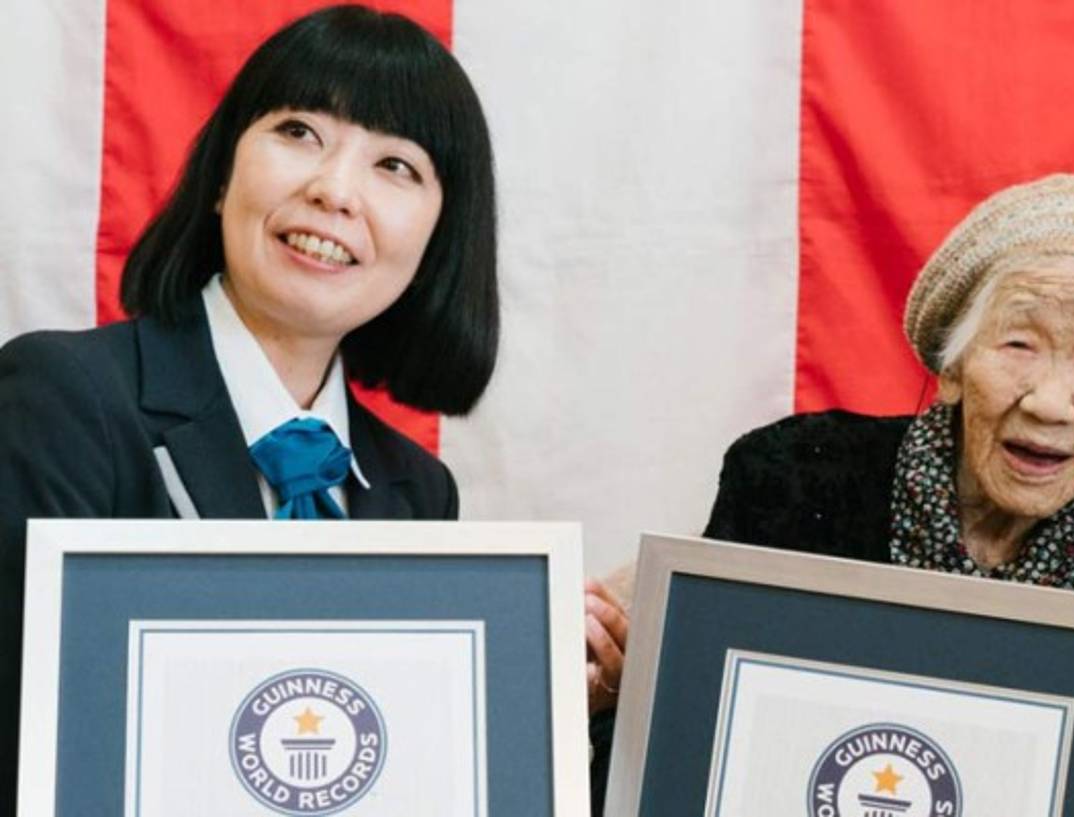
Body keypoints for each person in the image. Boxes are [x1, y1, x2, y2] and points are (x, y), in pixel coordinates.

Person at [0, 3, 626, 804]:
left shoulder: (416, 491)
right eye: (298, 131)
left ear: (438, 240)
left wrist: (526, 692)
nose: (334, 190)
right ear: (222, 176)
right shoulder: (63, 399)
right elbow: (40, 744)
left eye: (395, 165)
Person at [704, 173, 1074, 814]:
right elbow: (696, 721)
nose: (1051, 403)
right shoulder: (794, 478)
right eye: (1020, 344)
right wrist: (618, 683)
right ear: (952, 367)